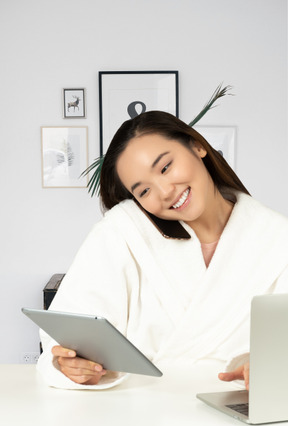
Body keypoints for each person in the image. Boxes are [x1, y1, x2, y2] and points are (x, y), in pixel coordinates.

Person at [37, 110, 288, 390]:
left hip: (239, 409)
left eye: (165, 167)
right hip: (138, 413)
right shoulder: (123, 231)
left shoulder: (277, 238)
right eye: (143, 191)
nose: (165, 192)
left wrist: (274, 369)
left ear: (198, 146)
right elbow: (68, 332)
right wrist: (72, 365)